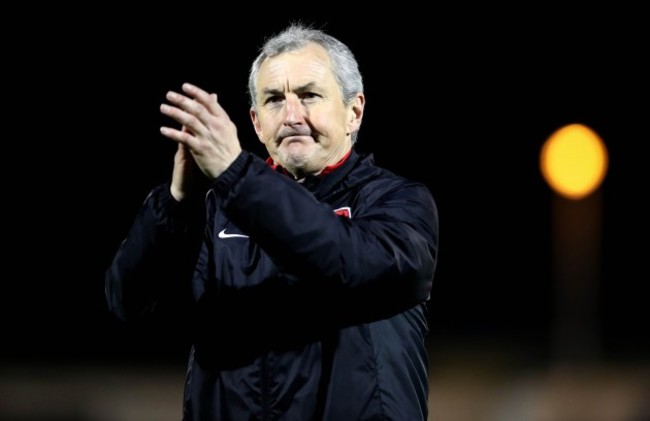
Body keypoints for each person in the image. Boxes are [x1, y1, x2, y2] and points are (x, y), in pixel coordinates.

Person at [105, 22, 439, 420]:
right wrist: (177, 202)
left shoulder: (397, 202)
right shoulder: (212, 213)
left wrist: (238, 175)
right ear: (256, 122)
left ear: (354, 111)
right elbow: (129, 303)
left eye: (309, 95)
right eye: (274, 100)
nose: (292, 115)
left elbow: (349, 260)